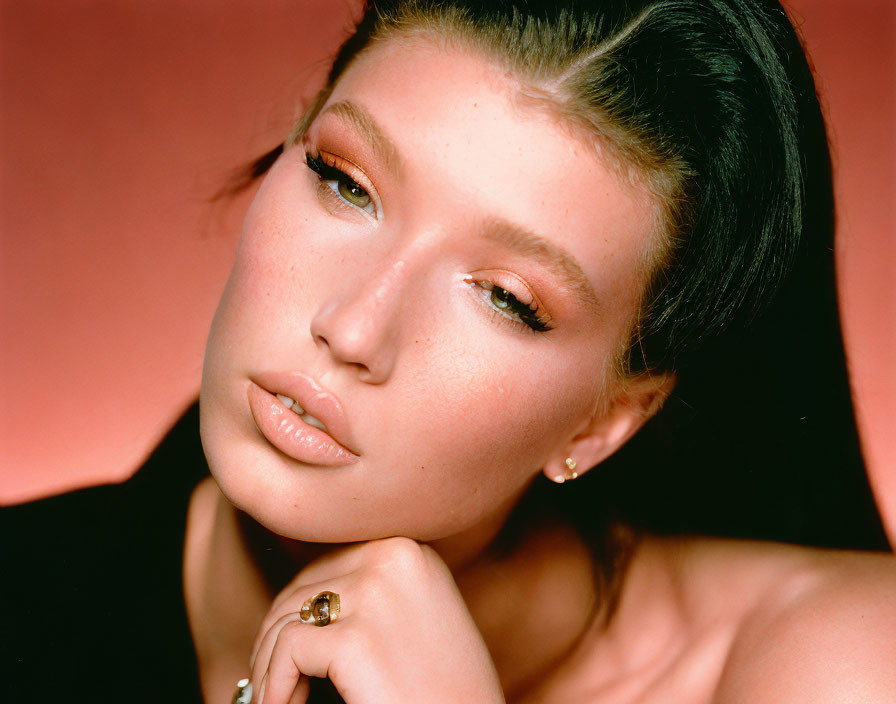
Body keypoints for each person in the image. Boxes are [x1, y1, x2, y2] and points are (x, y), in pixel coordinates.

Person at [4, 1, 894, 702]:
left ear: (605, 420)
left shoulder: (830, 664)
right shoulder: (31, 597)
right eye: (346, 183)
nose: (352, 330)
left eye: (506, 298)